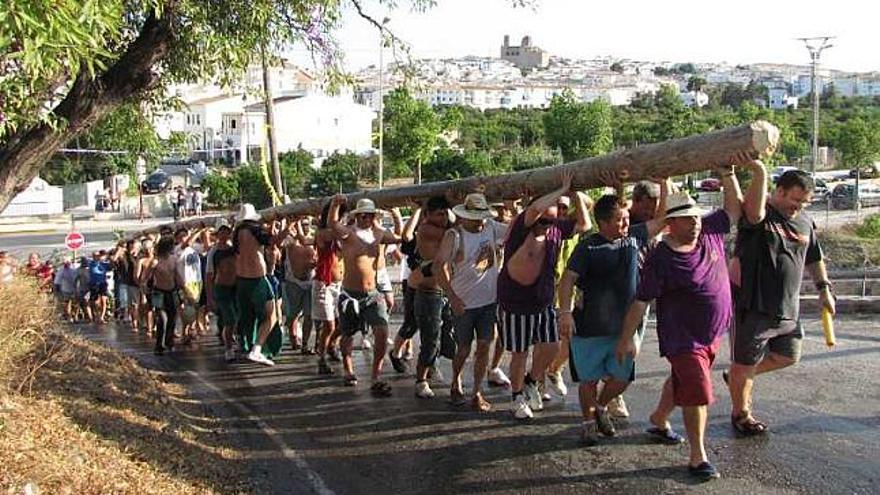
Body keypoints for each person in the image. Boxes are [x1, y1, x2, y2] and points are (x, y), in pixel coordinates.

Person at [616, 161, 758, 481]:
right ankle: (698, 456)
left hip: (712, 332)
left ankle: (659, 417)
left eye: (695, 217)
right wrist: (626, 338)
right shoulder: (661, 258)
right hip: (683, 338)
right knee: (697, 388)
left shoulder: (708, 233)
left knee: (683, 380)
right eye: (686, 219)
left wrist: (728, 175)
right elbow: (641, 301)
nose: (694, 223)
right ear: (671, 223)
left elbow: (733, 211)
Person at [725, 167, 835, 436]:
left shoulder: (805, 222)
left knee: (788, 356)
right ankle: (742, 414)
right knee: (745, 363)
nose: (798, 207)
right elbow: (752, 209)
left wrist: (824, 289)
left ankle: (739, 377)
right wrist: (758, 170)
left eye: (804, 202)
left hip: (787, 308)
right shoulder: (760, 216)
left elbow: (813, 257)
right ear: (780, 191)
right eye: (794, 200)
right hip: (753, 307)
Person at [557, 181, 667, 446]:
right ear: (603, 222)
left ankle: (602, 407)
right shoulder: (588, 247)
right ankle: (588, 423)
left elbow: (663, 221)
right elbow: (567, 280)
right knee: (588, 381)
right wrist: (565, 313)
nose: (625, 224)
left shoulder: (634, 237)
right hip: (589, 328)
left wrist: (663, 183)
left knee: (621, 378)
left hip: (622, 329)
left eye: (627, 218)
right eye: (619, 220)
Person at [497, 171, 591, 420]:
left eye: (551, 221)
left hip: (543, 301)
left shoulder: (556, 229)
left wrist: (574, 195)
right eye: (543, 221)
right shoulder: (520, 228)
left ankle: (531, 380)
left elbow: (585, 225)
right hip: (515, 302)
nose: (547, 226)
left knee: (551, 346)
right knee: (520, 352)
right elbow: (535, 209)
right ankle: (517, 396)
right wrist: (561, 189)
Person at [435, 193, 509, 411]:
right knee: (464, 348)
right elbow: (439, 265)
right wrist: (452, 297)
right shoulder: (454, 236)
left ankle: (476, 391)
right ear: (464, 215)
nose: (479, 220)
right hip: (464, 303)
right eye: (474, 216)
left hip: (489, 302)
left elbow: (516, 229)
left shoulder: (491, 227)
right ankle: (455, 380)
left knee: (485, 345)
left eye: (482, 215)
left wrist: (515, 205)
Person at [329, 196, 400, 394]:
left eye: (369, 215)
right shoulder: (349, 234)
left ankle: (376, 375)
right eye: (362, 215)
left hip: (373, 293)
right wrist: (335, 205)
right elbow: (333, 224)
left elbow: (400, 237)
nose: (366, 219)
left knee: (382, 331)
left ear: (373, 216)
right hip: (350, 294)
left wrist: (395, 214)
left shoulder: (379, 234)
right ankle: (348, 370)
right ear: (357, 216)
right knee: (348, 334)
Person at [401, 196, 453, 399]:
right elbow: (455, 231)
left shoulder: (445, 228)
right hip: (429, 292)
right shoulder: (426, 229)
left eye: (444, 213)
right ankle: (420, 380)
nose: (442, 217)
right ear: (428, 215)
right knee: (430, 340)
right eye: (438, 213)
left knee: (448, 339)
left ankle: (432, 369)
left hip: (446, 291)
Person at [234, 204, 284, 366]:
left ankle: (248, 346)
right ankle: (257, 349)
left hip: (242, 280)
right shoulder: (255, 230)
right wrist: (287, 227)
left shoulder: (237, 233)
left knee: (249, 316)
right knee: (272, 316)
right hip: (257, 279)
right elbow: (275, 241)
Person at [313, 200, 346, 375]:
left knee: (342, 323)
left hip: (339, 284)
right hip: (324, 284)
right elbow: (334, 230)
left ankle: (331, 346)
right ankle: (322, 359)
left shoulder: (339, 234)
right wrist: (334, 206)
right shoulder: (322, 233)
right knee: (329, 325)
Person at [281, 217, 317, 354]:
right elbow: (281, 243)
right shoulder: (290, 240)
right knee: (293, 314)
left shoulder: (313, 239)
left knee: (309, 315)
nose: (305, 226)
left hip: (310, 280)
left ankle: (305, 344)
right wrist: (288, 225)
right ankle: (293, 337)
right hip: (293, 282)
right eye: (303, 224)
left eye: (307, 224)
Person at [144, 236, 183, 355]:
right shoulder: (155, 261)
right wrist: (145, 288)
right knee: (162, 319)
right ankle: (159, 345)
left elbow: (177, 276)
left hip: (171, 291)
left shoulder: (174, 259)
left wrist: (184, 289)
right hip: (158, 292)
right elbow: (146, 277)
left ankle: (169, 341)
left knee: (172, 317)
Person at [206, 218, 239, 361]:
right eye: (222, 231)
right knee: (230, 319)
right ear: (217, 234)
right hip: (222, 289)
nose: (225, 234)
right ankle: (228, 349)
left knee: (236, 318)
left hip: (235, 288)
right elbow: (209, 276)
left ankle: (233, 341)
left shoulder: (234, 248)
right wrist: (210, 298)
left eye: (227, 231)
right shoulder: (213, 252)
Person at [112, 240, 142, 331]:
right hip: (130, 283)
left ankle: (139, 321)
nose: (133, 248)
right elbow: (114, 260)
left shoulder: (140, 256)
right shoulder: (125, 256)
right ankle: (134, 323)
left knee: (141, 304)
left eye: (135, 247)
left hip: (141, 283)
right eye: (132, 246)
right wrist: (120, 250)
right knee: (133, 304)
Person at [87, 251, 112, 323]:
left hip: (102, 283)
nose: (97, 257)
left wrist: (110, 258)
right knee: (96, 302)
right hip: (94, 284)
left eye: (98, 255)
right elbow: (94, 265)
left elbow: (111, 267)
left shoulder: (104, 264)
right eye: (95, 256)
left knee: (104, 300)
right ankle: (97, 315)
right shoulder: (92, 263)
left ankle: (102, 317)